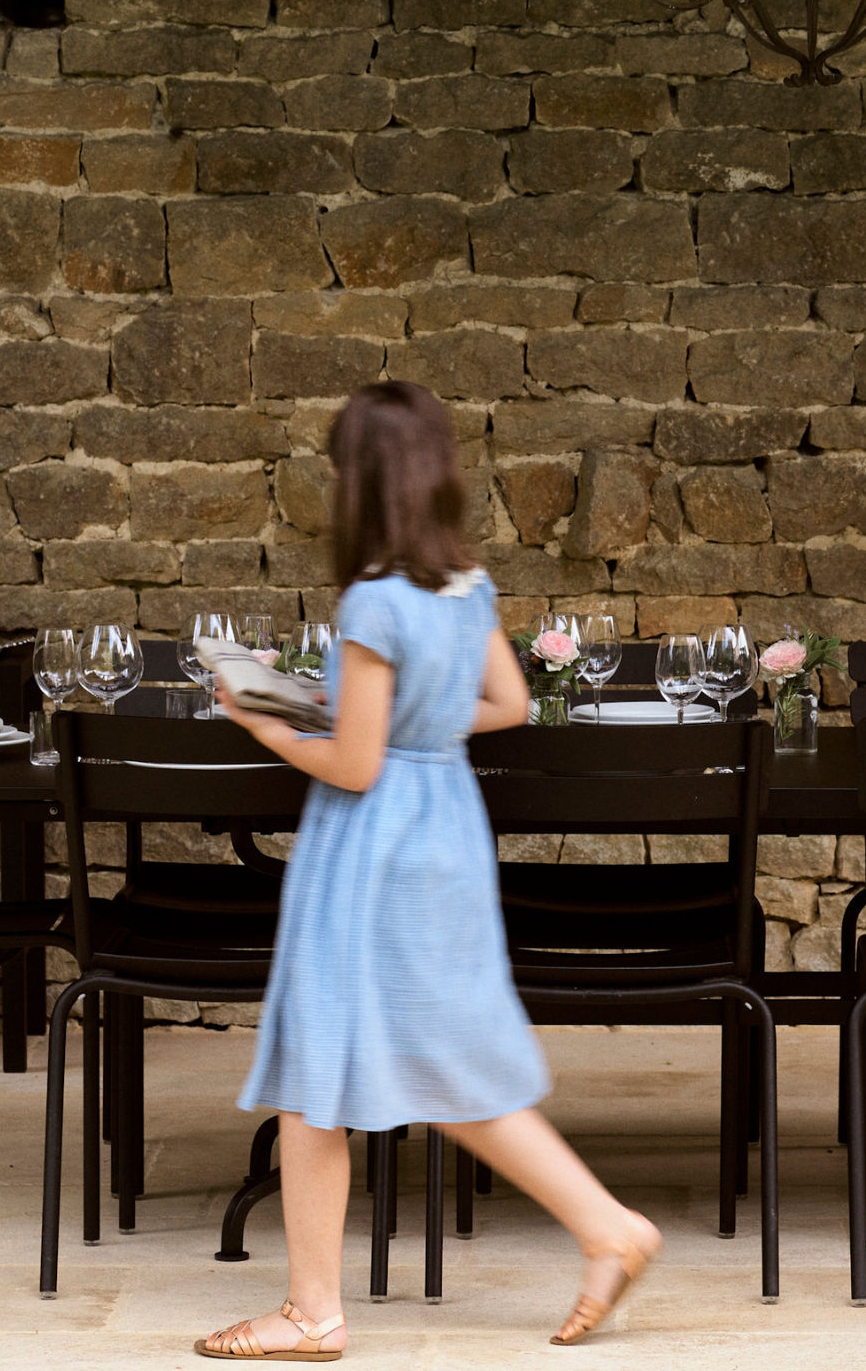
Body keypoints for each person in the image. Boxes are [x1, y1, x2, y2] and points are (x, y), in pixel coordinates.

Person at [207, 381, 663, 1360]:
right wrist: (395, 722)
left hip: (369, 853)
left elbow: (354, 766)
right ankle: (605, 1229)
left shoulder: (372, 600)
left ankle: (312, 1311)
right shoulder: (467, 585)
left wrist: (262, 716)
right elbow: (507, 705)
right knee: (445, 1065)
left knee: (315, 1070)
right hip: (445, 832)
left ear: (359, 482)